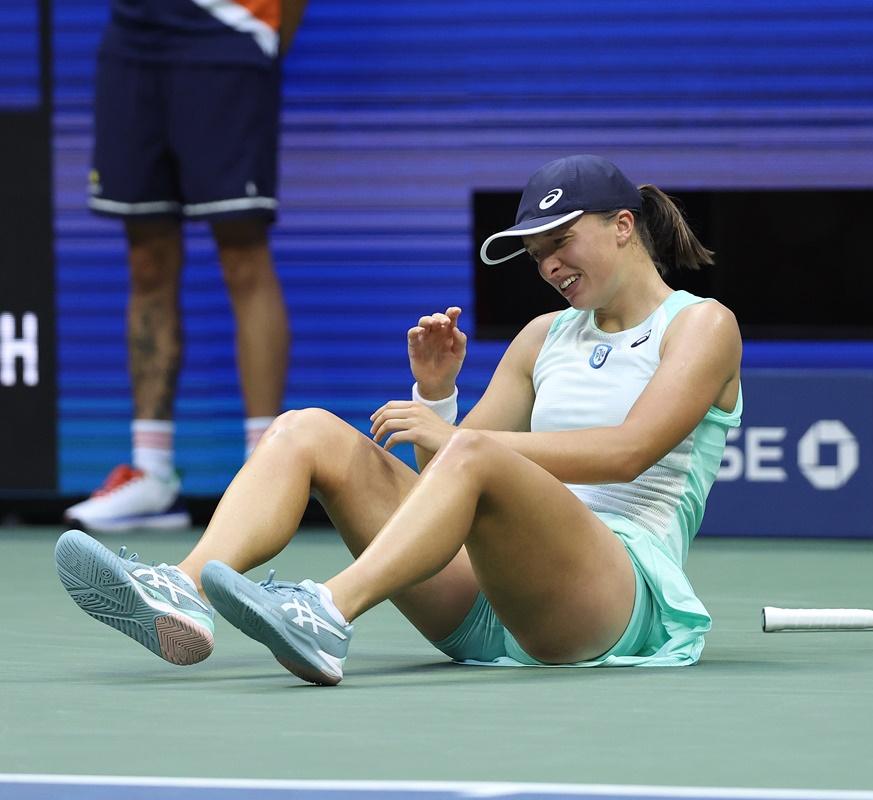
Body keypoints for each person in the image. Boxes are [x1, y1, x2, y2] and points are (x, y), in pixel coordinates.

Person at [54, 154, 743, 685]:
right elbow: (451, 484)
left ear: (623, 227)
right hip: (490, 605)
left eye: (561, 240)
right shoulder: (543, 337)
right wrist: (438, 395)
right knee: (307, 429)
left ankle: (327, 610)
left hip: (612, 602)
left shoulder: (703, 324)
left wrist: (458, 434)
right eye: (536, 254)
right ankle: (184, 588)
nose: (549, 265)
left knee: (476, 451)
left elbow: (629, 451)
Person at [63, 0, 307, 532]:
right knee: (146, 258)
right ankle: (151, 475)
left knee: (242, 252)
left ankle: (261, 472)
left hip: (228, 32)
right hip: (133, 37)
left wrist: (258, 35)